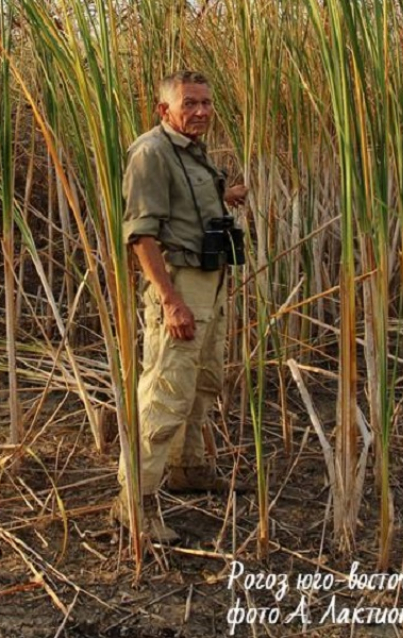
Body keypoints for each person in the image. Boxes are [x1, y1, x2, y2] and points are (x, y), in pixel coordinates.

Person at [113, 70, 250, 544]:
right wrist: (170, 302)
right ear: (164, 109)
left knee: (202, 381)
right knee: (166, 391)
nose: (201, 111)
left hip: (211, 279)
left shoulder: (192, 151)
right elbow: (141, 234)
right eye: (189, 103)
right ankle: (135, 505)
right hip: (179, 283)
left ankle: (187, 467)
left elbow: (183, 206)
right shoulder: (150, 151)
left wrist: (223, 197)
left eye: (207, 103)